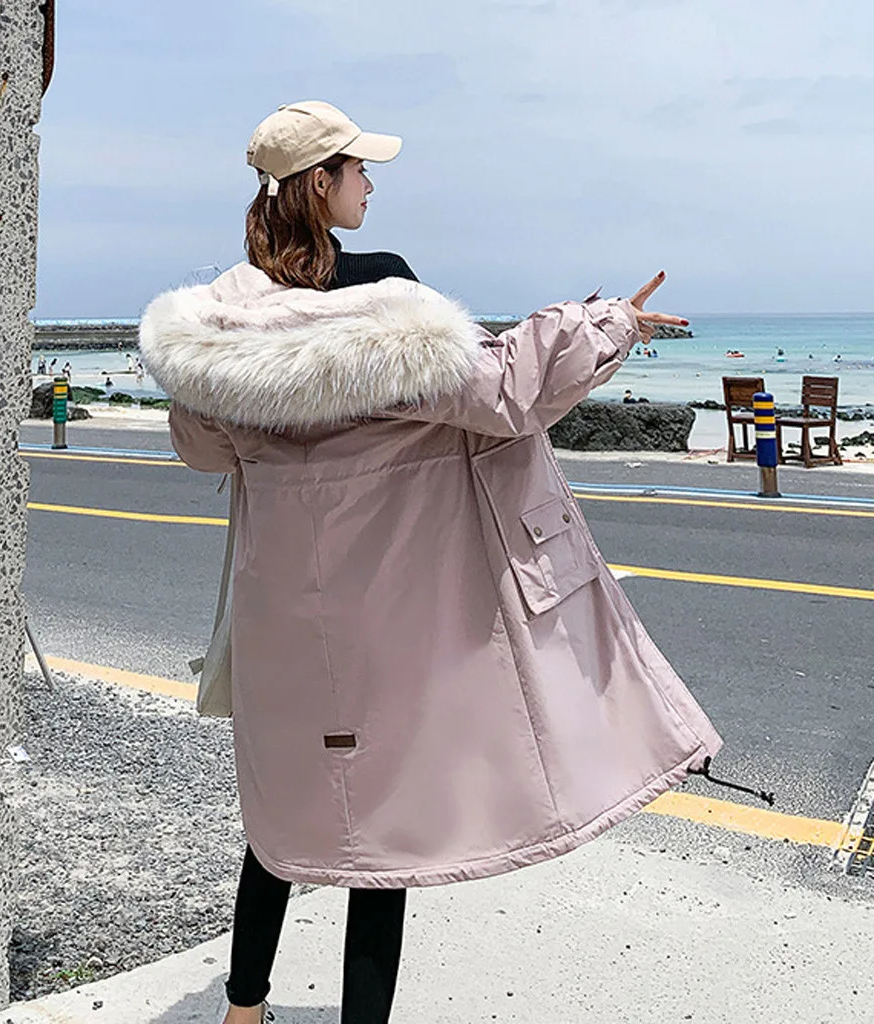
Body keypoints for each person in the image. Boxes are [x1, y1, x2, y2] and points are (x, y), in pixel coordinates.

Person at [139, 100, 721, 1024]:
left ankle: (241, 1012)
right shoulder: (389, 296)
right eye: (359, 168)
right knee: (386, 844)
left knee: (283, 817)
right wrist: (613, 323)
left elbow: (199, 446)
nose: (372, 184)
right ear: (321, 183)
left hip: (282, 622)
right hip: (388, 626)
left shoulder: (220, 330)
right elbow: (509, 388)